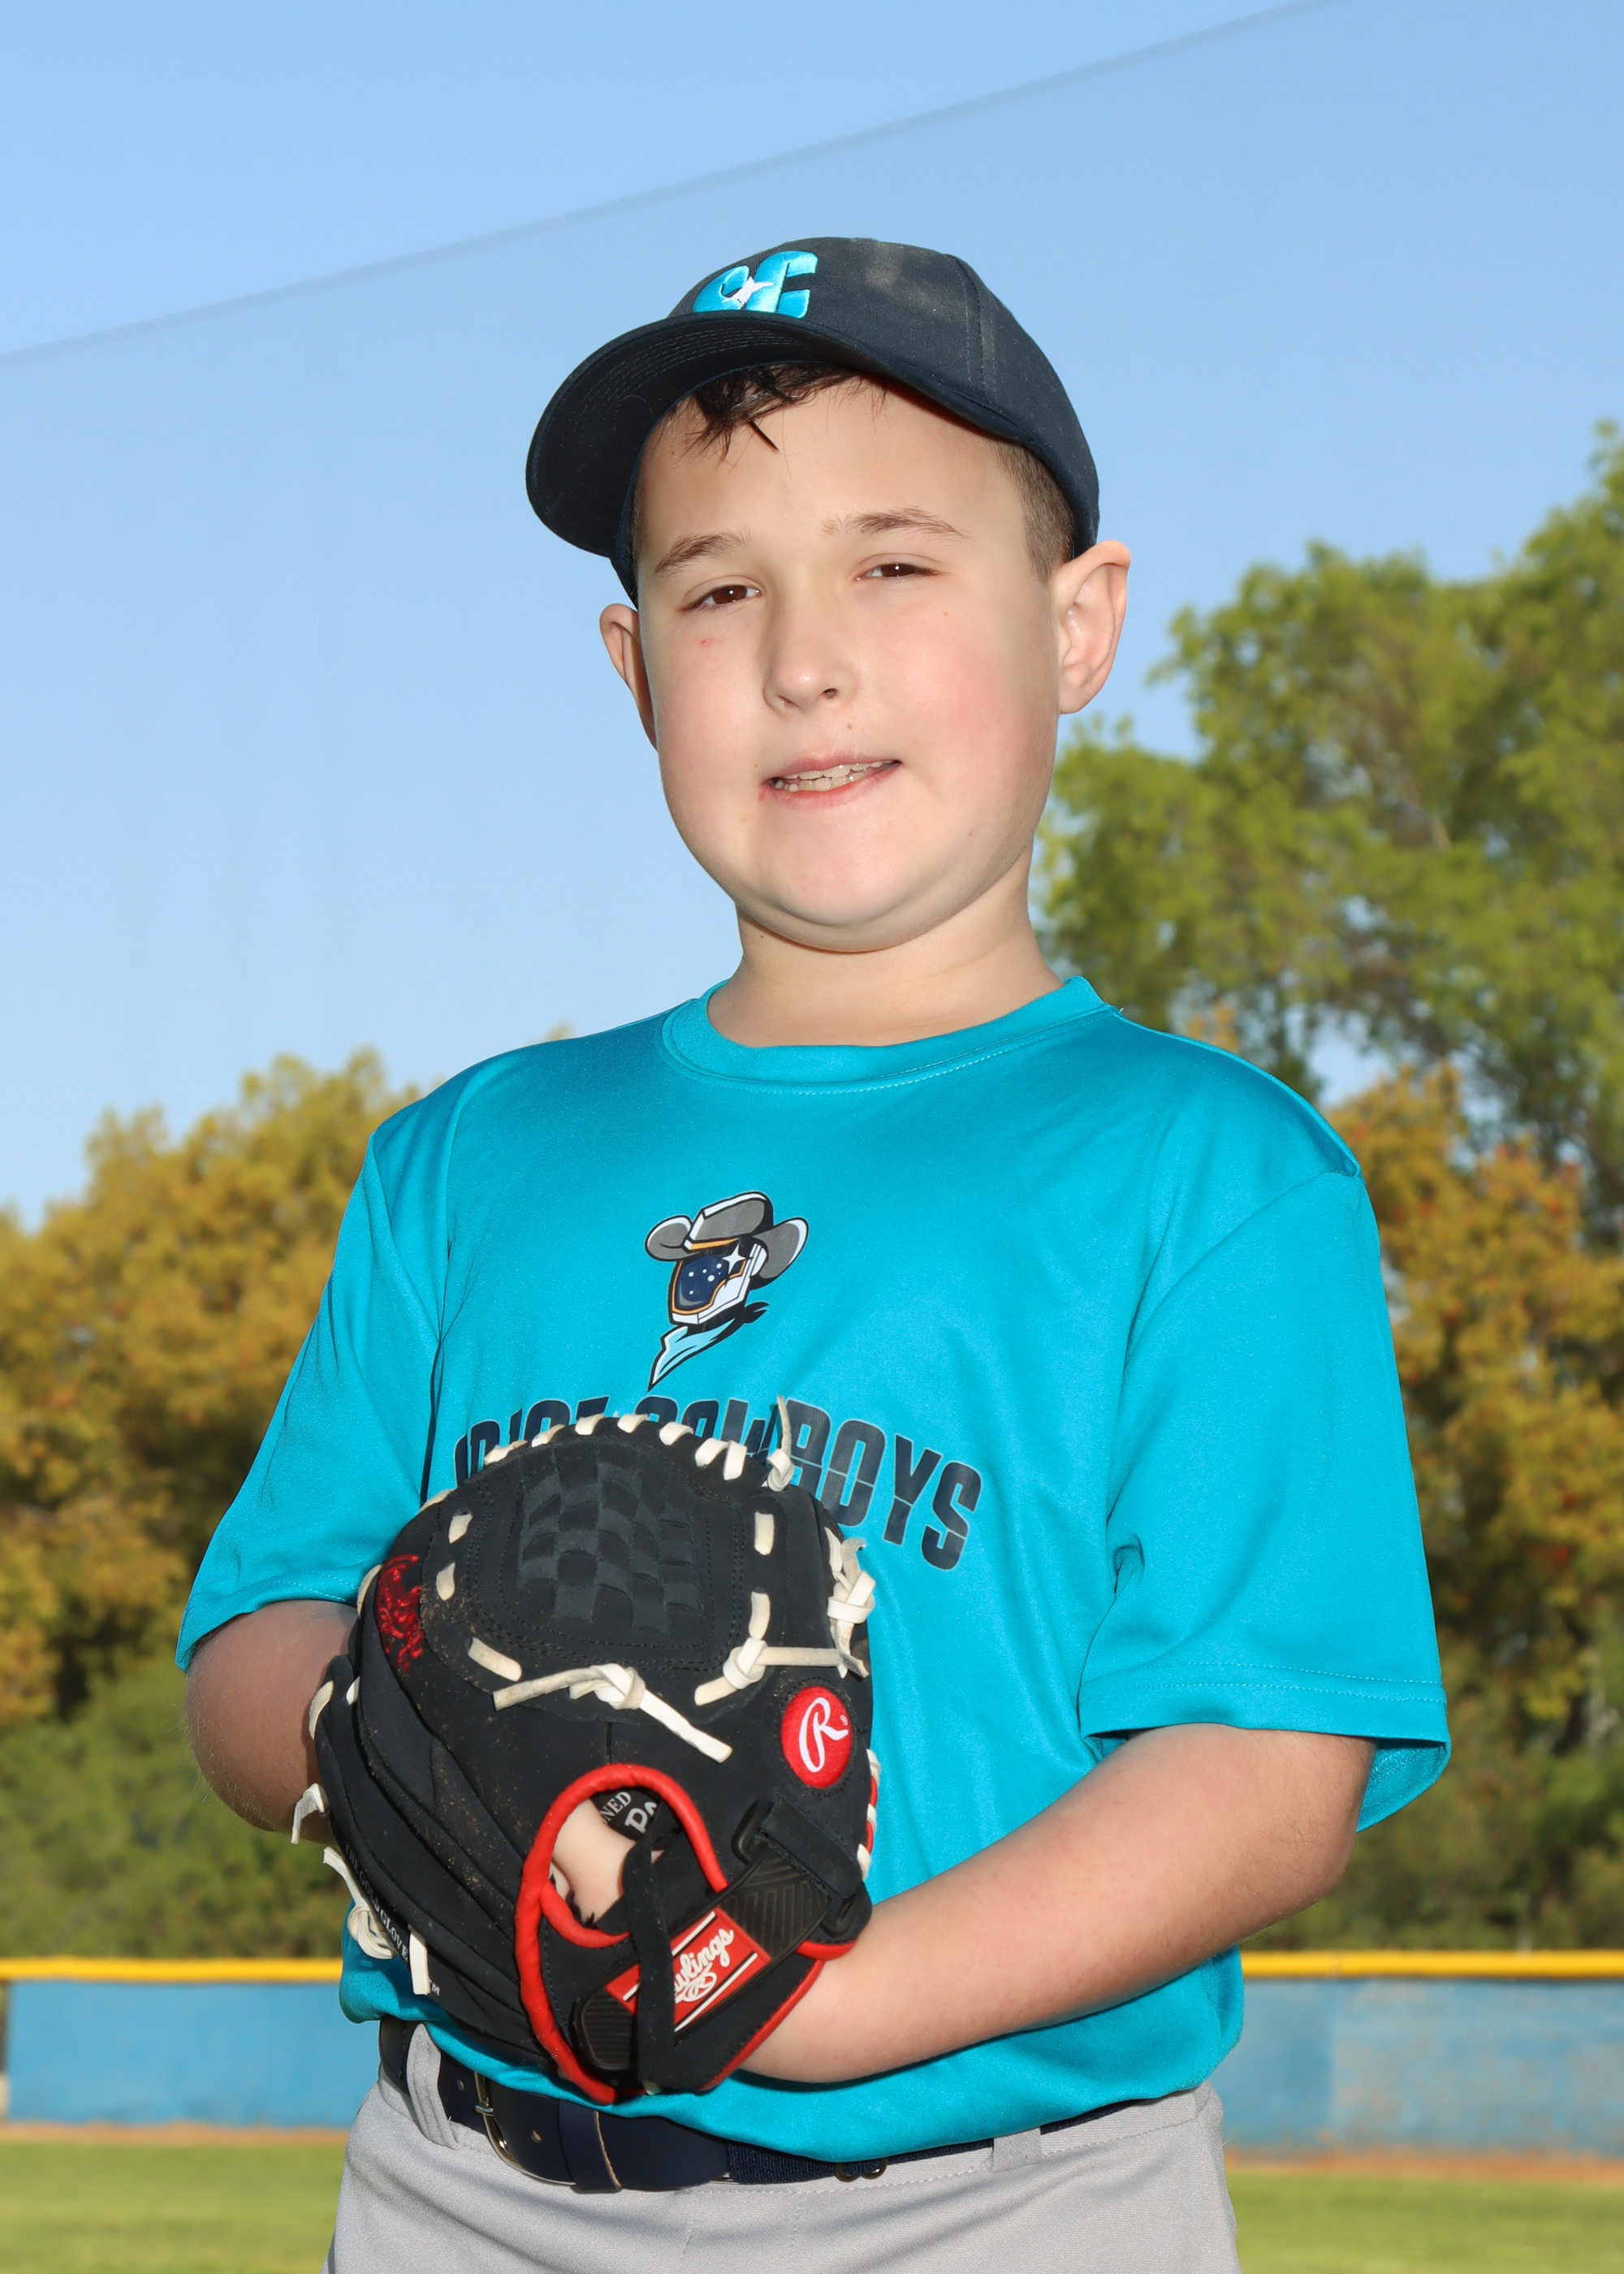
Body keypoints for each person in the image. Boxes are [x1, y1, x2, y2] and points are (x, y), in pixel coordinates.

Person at [181, 236, 1448, 2272]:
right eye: (718, 591)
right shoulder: (469, 1157)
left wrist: (812, 1997)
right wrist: (417, 1753)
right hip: (460, 2185)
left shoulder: (1210, 1171)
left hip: (1004, 2207)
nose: (802, 659)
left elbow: (1262, 1762)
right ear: (631, 669)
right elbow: (257, 1636)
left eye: (894, 564)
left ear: (1078, 622)